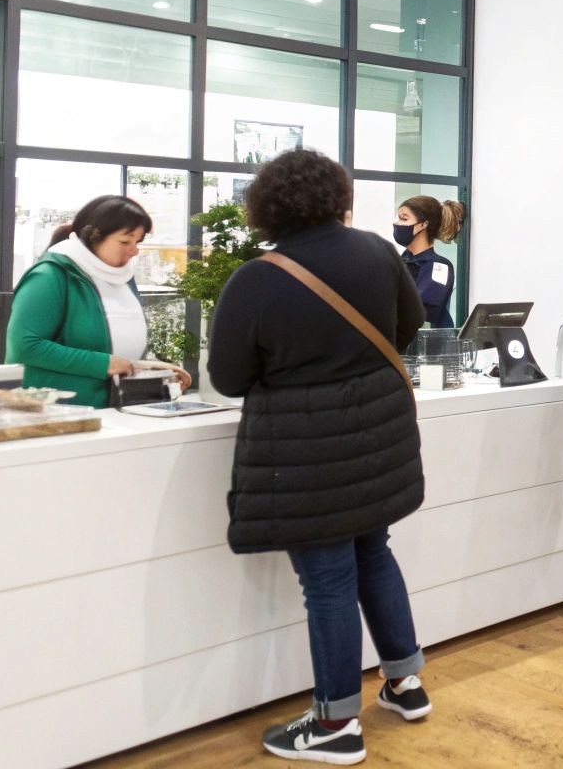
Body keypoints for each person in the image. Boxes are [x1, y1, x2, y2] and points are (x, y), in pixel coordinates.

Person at [210, 150, 430, 765]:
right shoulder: (377, 253)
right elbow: (407, 327)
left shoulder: (258, 278)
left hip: (304, 455)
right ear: (338, 194)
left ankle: (335, 723)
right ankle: (405, 683)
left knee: (328, 580)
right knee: (373, 553)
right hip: (377, 437)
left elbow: (228, 378)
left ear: (267, 205)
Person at [5, 195, 189, 408]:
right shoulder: (50, 275)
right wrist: (105, 364)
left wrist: (140, 367)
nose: (134, 250)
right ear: (93, 236)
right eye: (125, 241)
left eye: (138, 241)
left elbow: (103, 346)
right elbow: (25, 346)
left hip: (113, 410)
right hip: (60, 412)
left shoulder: (121, 277)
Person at [394, 196, 465, 329]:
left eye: (404, 218)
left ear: (423, 224)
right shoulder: (399, 261)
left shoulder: (440, 267)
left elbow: (420, 311)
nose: (397, 224)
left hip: (429, 345)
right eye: (398, 218)